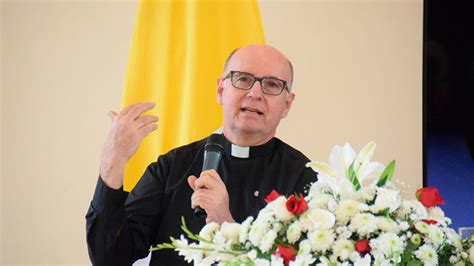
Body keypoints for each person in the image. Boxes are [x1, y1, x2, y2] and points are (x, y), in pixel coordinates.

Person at [86, 45, 318, 265]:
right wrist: (113, 163)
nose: (255, 93)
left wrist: (225, 223)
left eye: (272, 84)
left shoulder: (306, 180)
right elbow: (110, 259)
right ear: (220, 90)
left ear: (287, 104)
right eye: (243, 79)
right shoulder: (172, 167)